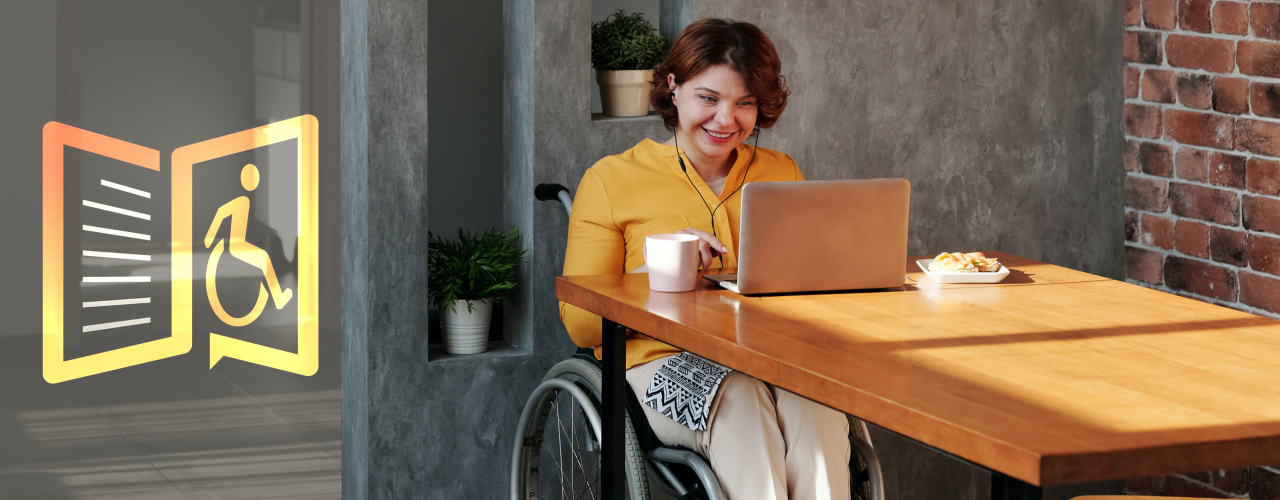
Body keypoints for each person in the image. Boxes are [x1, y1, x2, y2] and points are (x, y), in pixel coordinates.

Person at [560, 18, 853, 500]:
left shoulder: (781, 173)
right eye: (708, 98)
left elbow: (806, 289)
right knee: (739, 402)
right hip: (657, 362)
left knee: (818, 407)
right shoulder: (611, 180)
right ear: (673, 88)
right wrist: (659, 271)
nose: (725, 120)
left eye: (745, 103)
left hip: (769, 358)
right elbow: (582, 326)